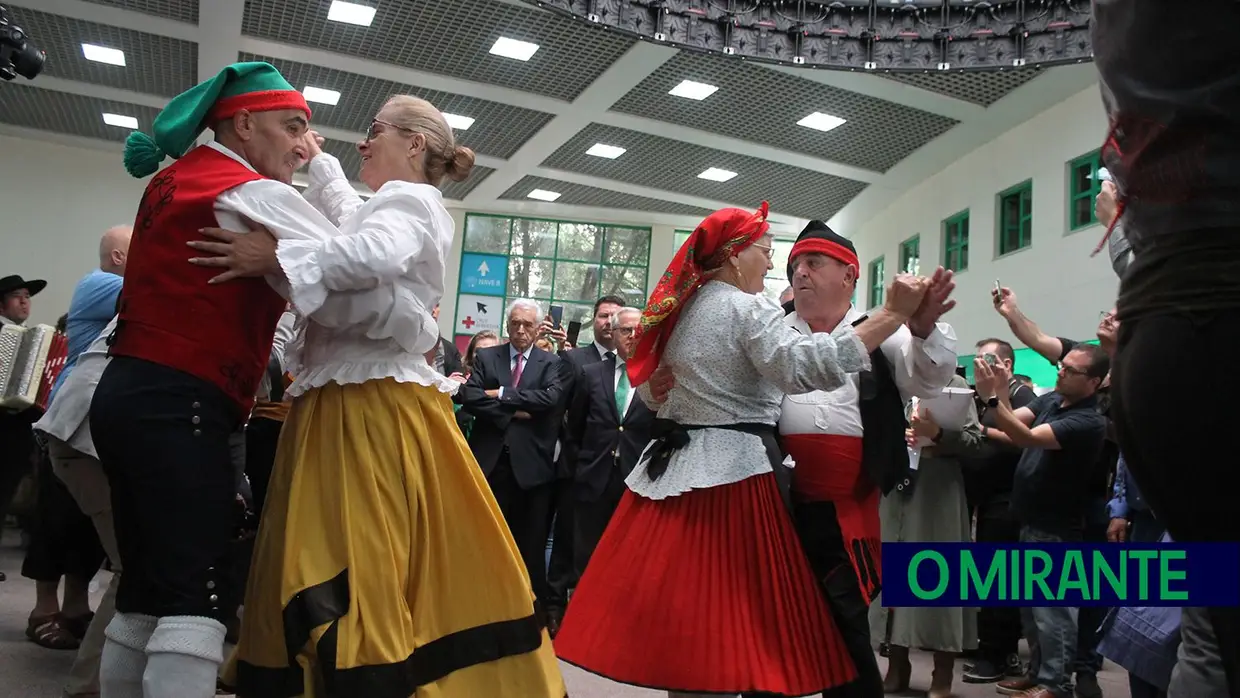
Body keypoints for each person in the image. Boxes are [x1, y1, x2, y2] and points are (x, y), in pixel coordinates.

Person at [194, 95, 565, 698]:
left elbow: (371, 251)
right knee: (357, 543)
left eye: (375, 132)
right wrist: (327, 171)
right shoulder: (404, 201)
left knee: (356, 545)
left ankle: (360, 673)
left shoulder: (408, 200)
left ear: (414, 144)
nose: (362, 143)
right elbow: (354, 229)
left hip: (364, 404)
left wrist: (277, 255)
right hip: (351, 398)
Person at [554, 201, 935, 698]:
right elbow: (805, 370)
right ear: (735, 255)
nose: (773, 264)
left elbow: (650, 389)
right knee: (741, 616)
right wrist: (891, 314)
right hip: (736, 473)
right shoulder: (745, 306)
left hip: (675, 471)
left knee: (690, 611)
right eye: (765, 251)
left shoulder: (680, 308)